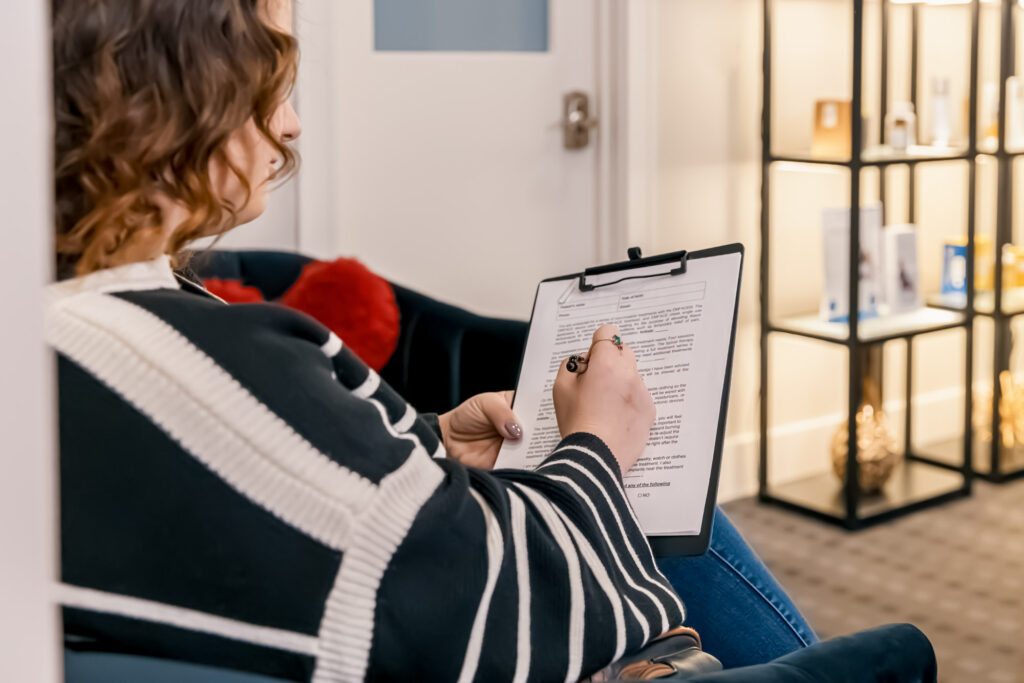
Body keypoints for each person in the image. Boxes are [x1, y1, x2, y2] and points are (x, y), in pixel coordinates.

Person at [49, 0, 815, 680]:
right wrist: (600, 444)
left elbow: (275, 493)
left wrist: (432, 441)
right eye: (269, 79)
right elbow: (508, 613)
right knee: (682, 517)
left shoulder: (78, 319)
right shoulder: (196, 359)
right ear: (176, 97)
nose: (290, 124)